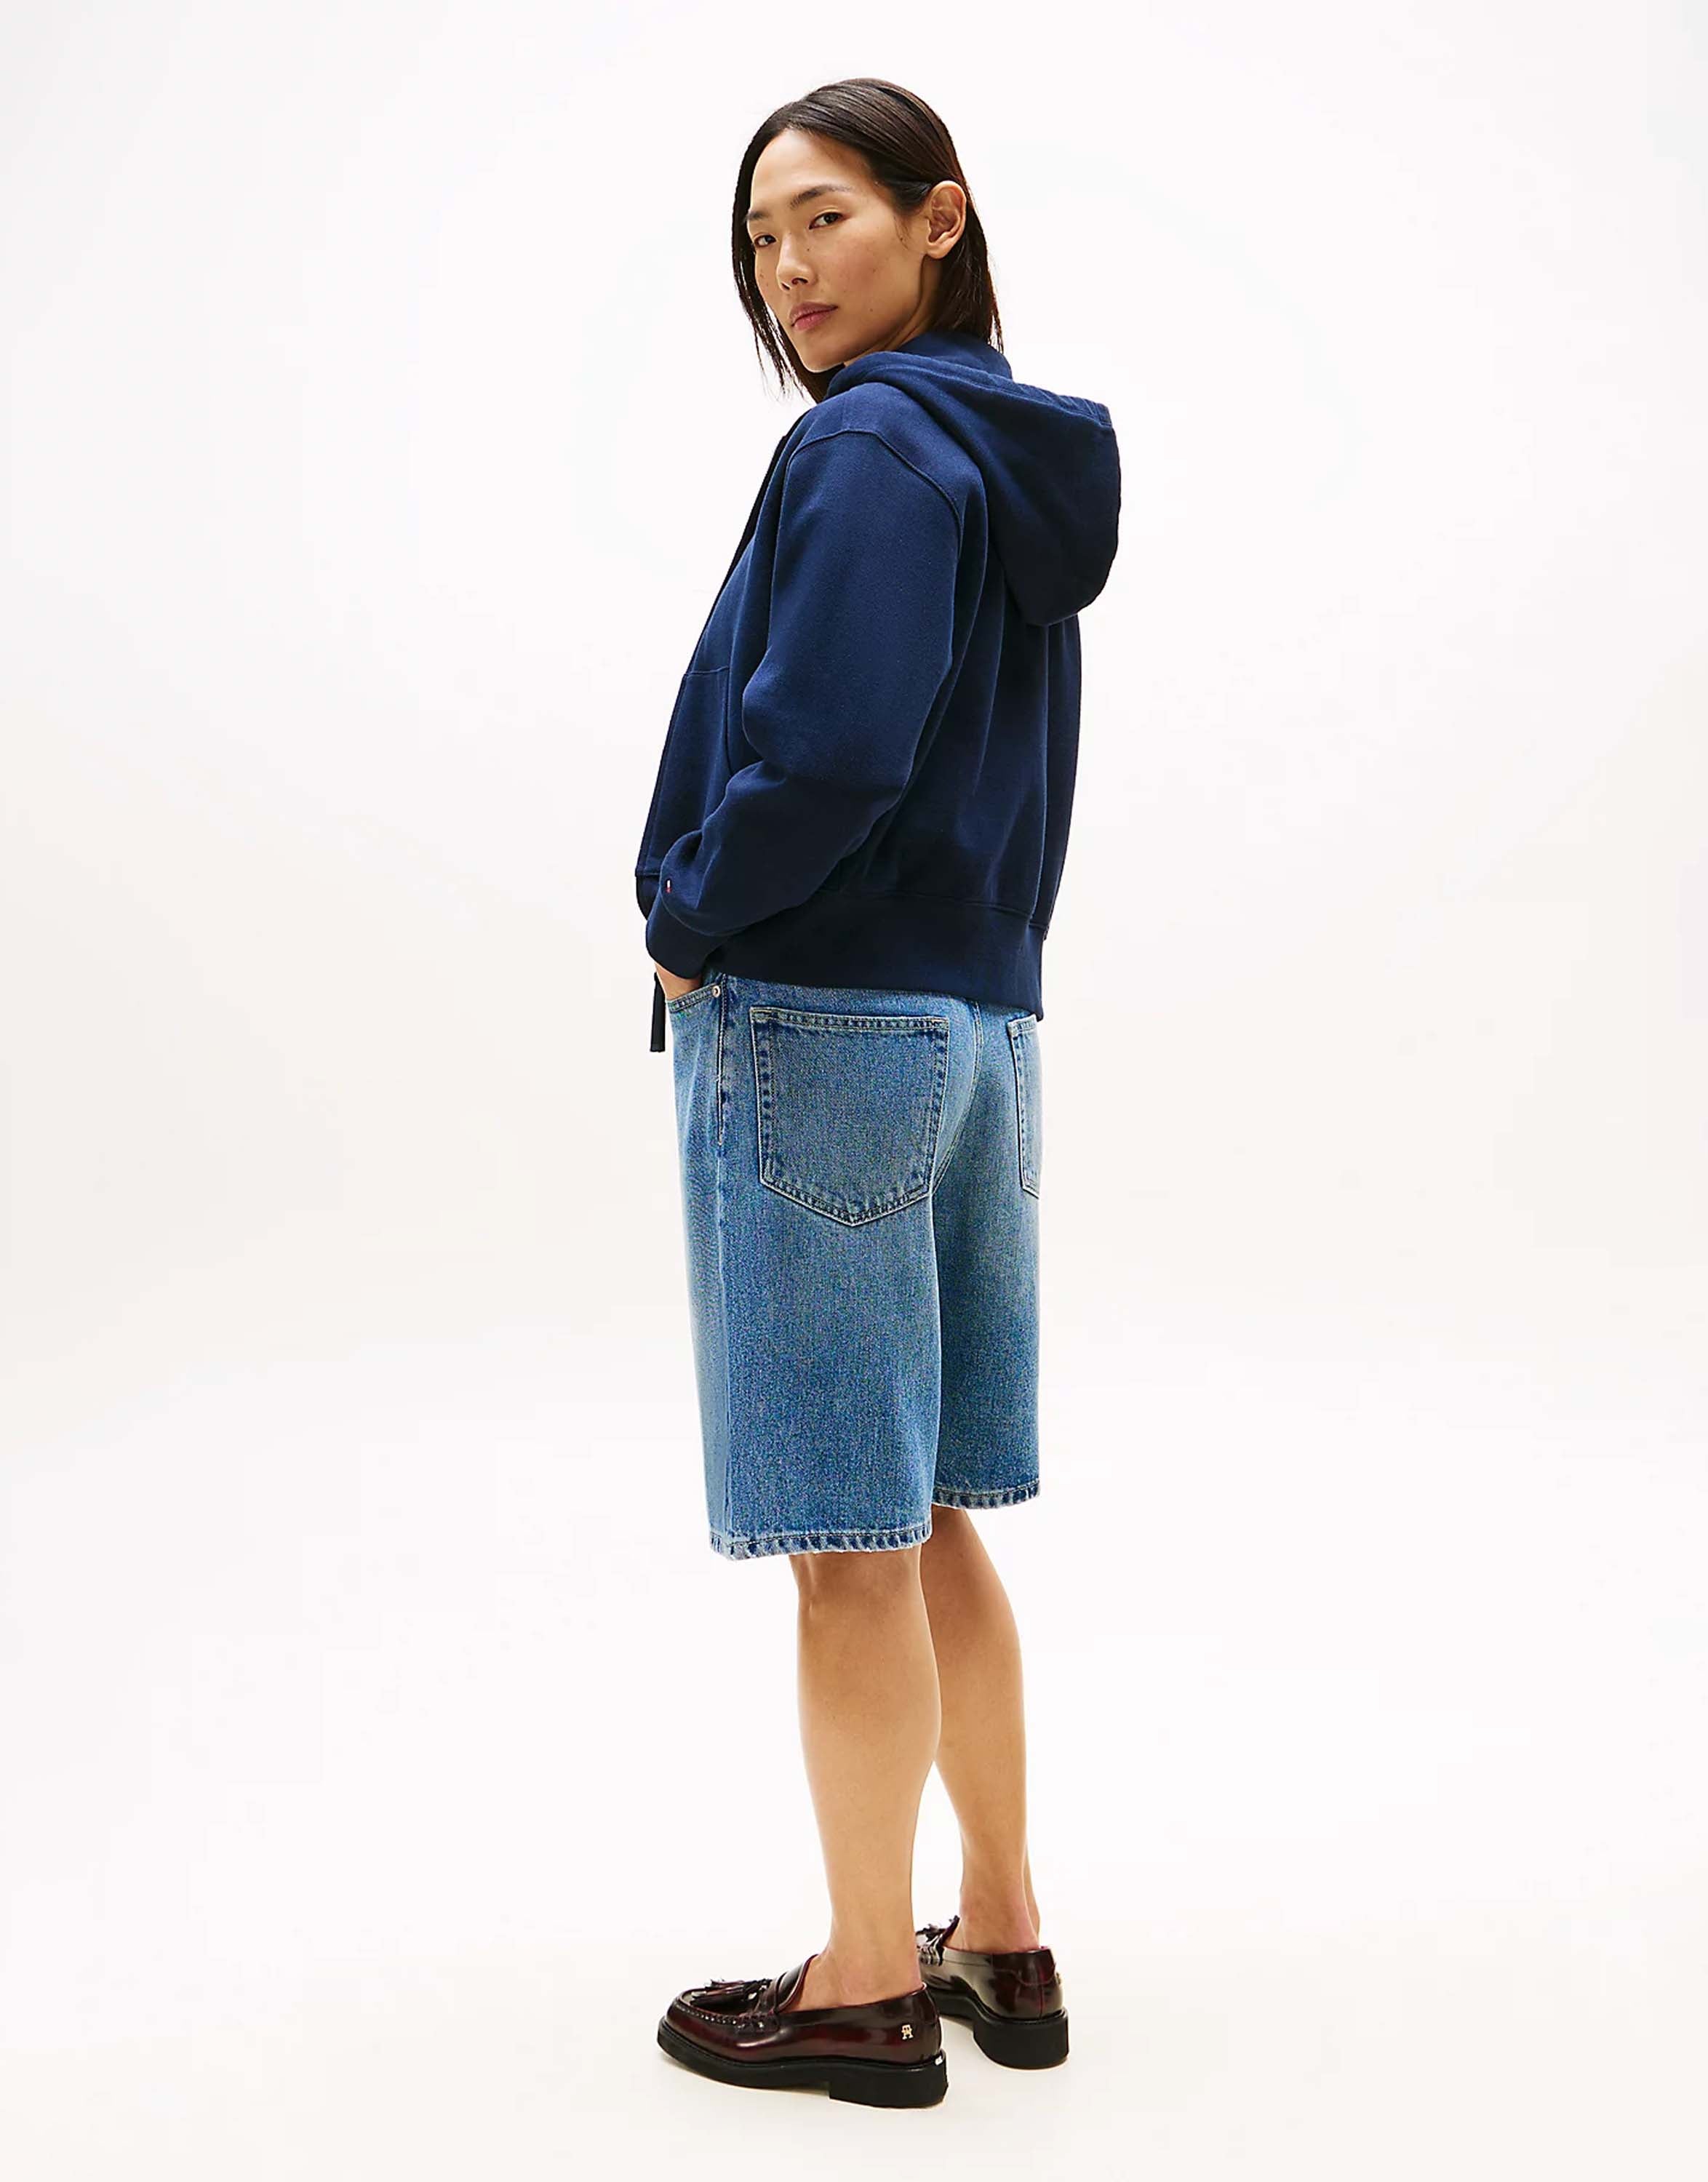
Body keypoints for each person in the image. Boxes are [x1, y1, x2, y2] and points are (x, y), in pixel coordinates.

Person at [636, 78, 1120, 2109]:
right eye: (761, 240)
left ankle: (860, 1988)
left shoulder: (863, 451)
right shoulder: (998, 461)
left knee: (849, 1538)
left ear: (941, 218)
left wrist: (689, 916)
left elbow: (828, 751)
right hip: (977, 1034)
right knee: (917, 1517)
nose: (787, 269)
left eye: (823, 217)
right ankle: (998, 1931)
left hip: (826, 1026)